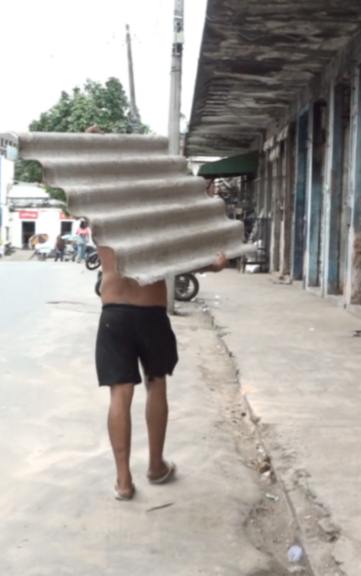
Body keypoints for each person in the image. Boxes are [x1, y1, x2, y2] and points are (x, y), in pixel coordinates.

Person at [85, 124, 230, 501]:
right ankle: (155, 465)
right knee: (156, 383)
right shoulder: (158, 213)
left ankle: (123, 482)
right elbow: (180, 259)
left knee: (120, 394)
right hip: (150, 313)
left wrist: (97, 147)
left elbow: (91, 177)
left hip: (114, 314)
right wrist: (213, 266)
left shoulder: (100, 212)